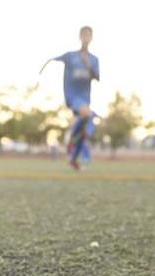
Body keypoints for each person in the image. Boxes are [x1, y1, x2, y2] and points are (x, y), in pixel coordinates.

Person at [43, 26, 100, 170]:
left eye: (89, 35)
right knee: (87, 115)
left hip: (85, 98)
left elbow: (97, 77)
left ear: (91, 38)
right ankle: (70, 140)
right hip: (72, 96)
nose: (86, 38)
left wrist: (88, 66)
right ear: (80, 37)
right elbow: (51, 59)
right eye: (84, 35)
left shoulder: (94, 59)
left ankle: (73, 159)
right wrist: (41, 72)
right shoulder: (70, 56)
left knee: (86, 130)